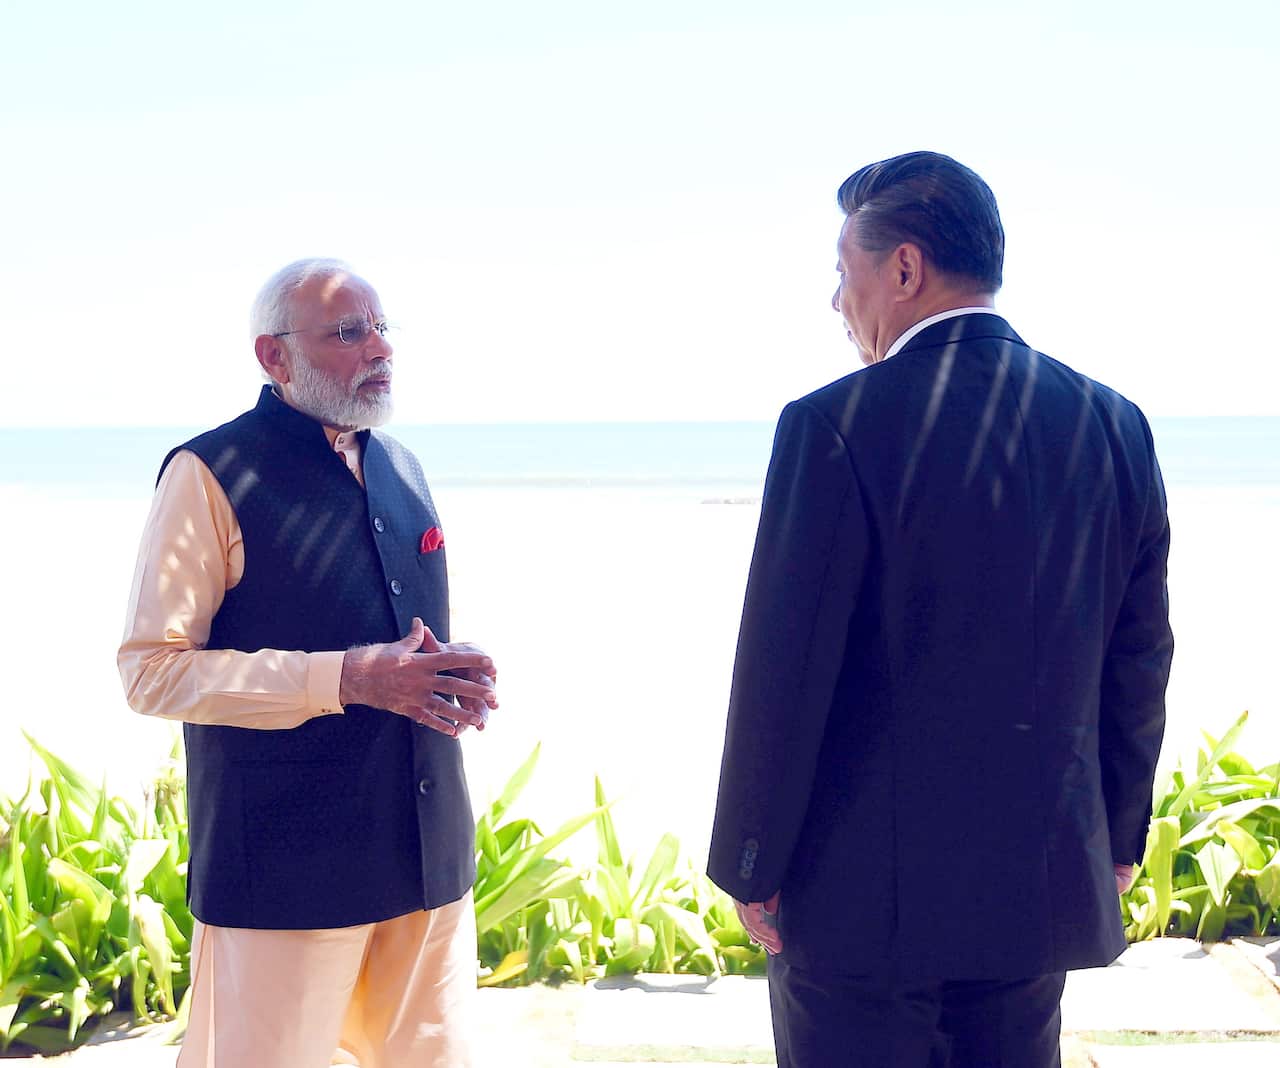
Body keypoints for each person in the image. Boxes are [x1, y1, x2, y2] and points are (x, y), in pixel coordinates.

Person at [707, 152, 1173, 1068]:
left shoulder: (834, 424)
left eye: (843, 275)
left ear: (906, 269)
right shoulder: (1117, 425)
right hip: (1038, 884)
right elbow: (1139, 653)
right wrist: (1116, 836)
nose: (837, 303)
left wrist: (752, 862)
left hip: (860, 902)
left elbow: (785, 669)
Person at [118, 258, 499, 1068]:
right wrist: (347, 678)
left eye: (382, 327)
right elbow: (151, 672)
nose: (379, 349)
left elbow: (394, 635)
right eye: (347, 332)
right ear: (273, 356)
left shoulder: (401, 466)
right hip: (285, 872)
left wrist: (448, 673)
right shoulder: (209, 473)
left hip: (427, 859)